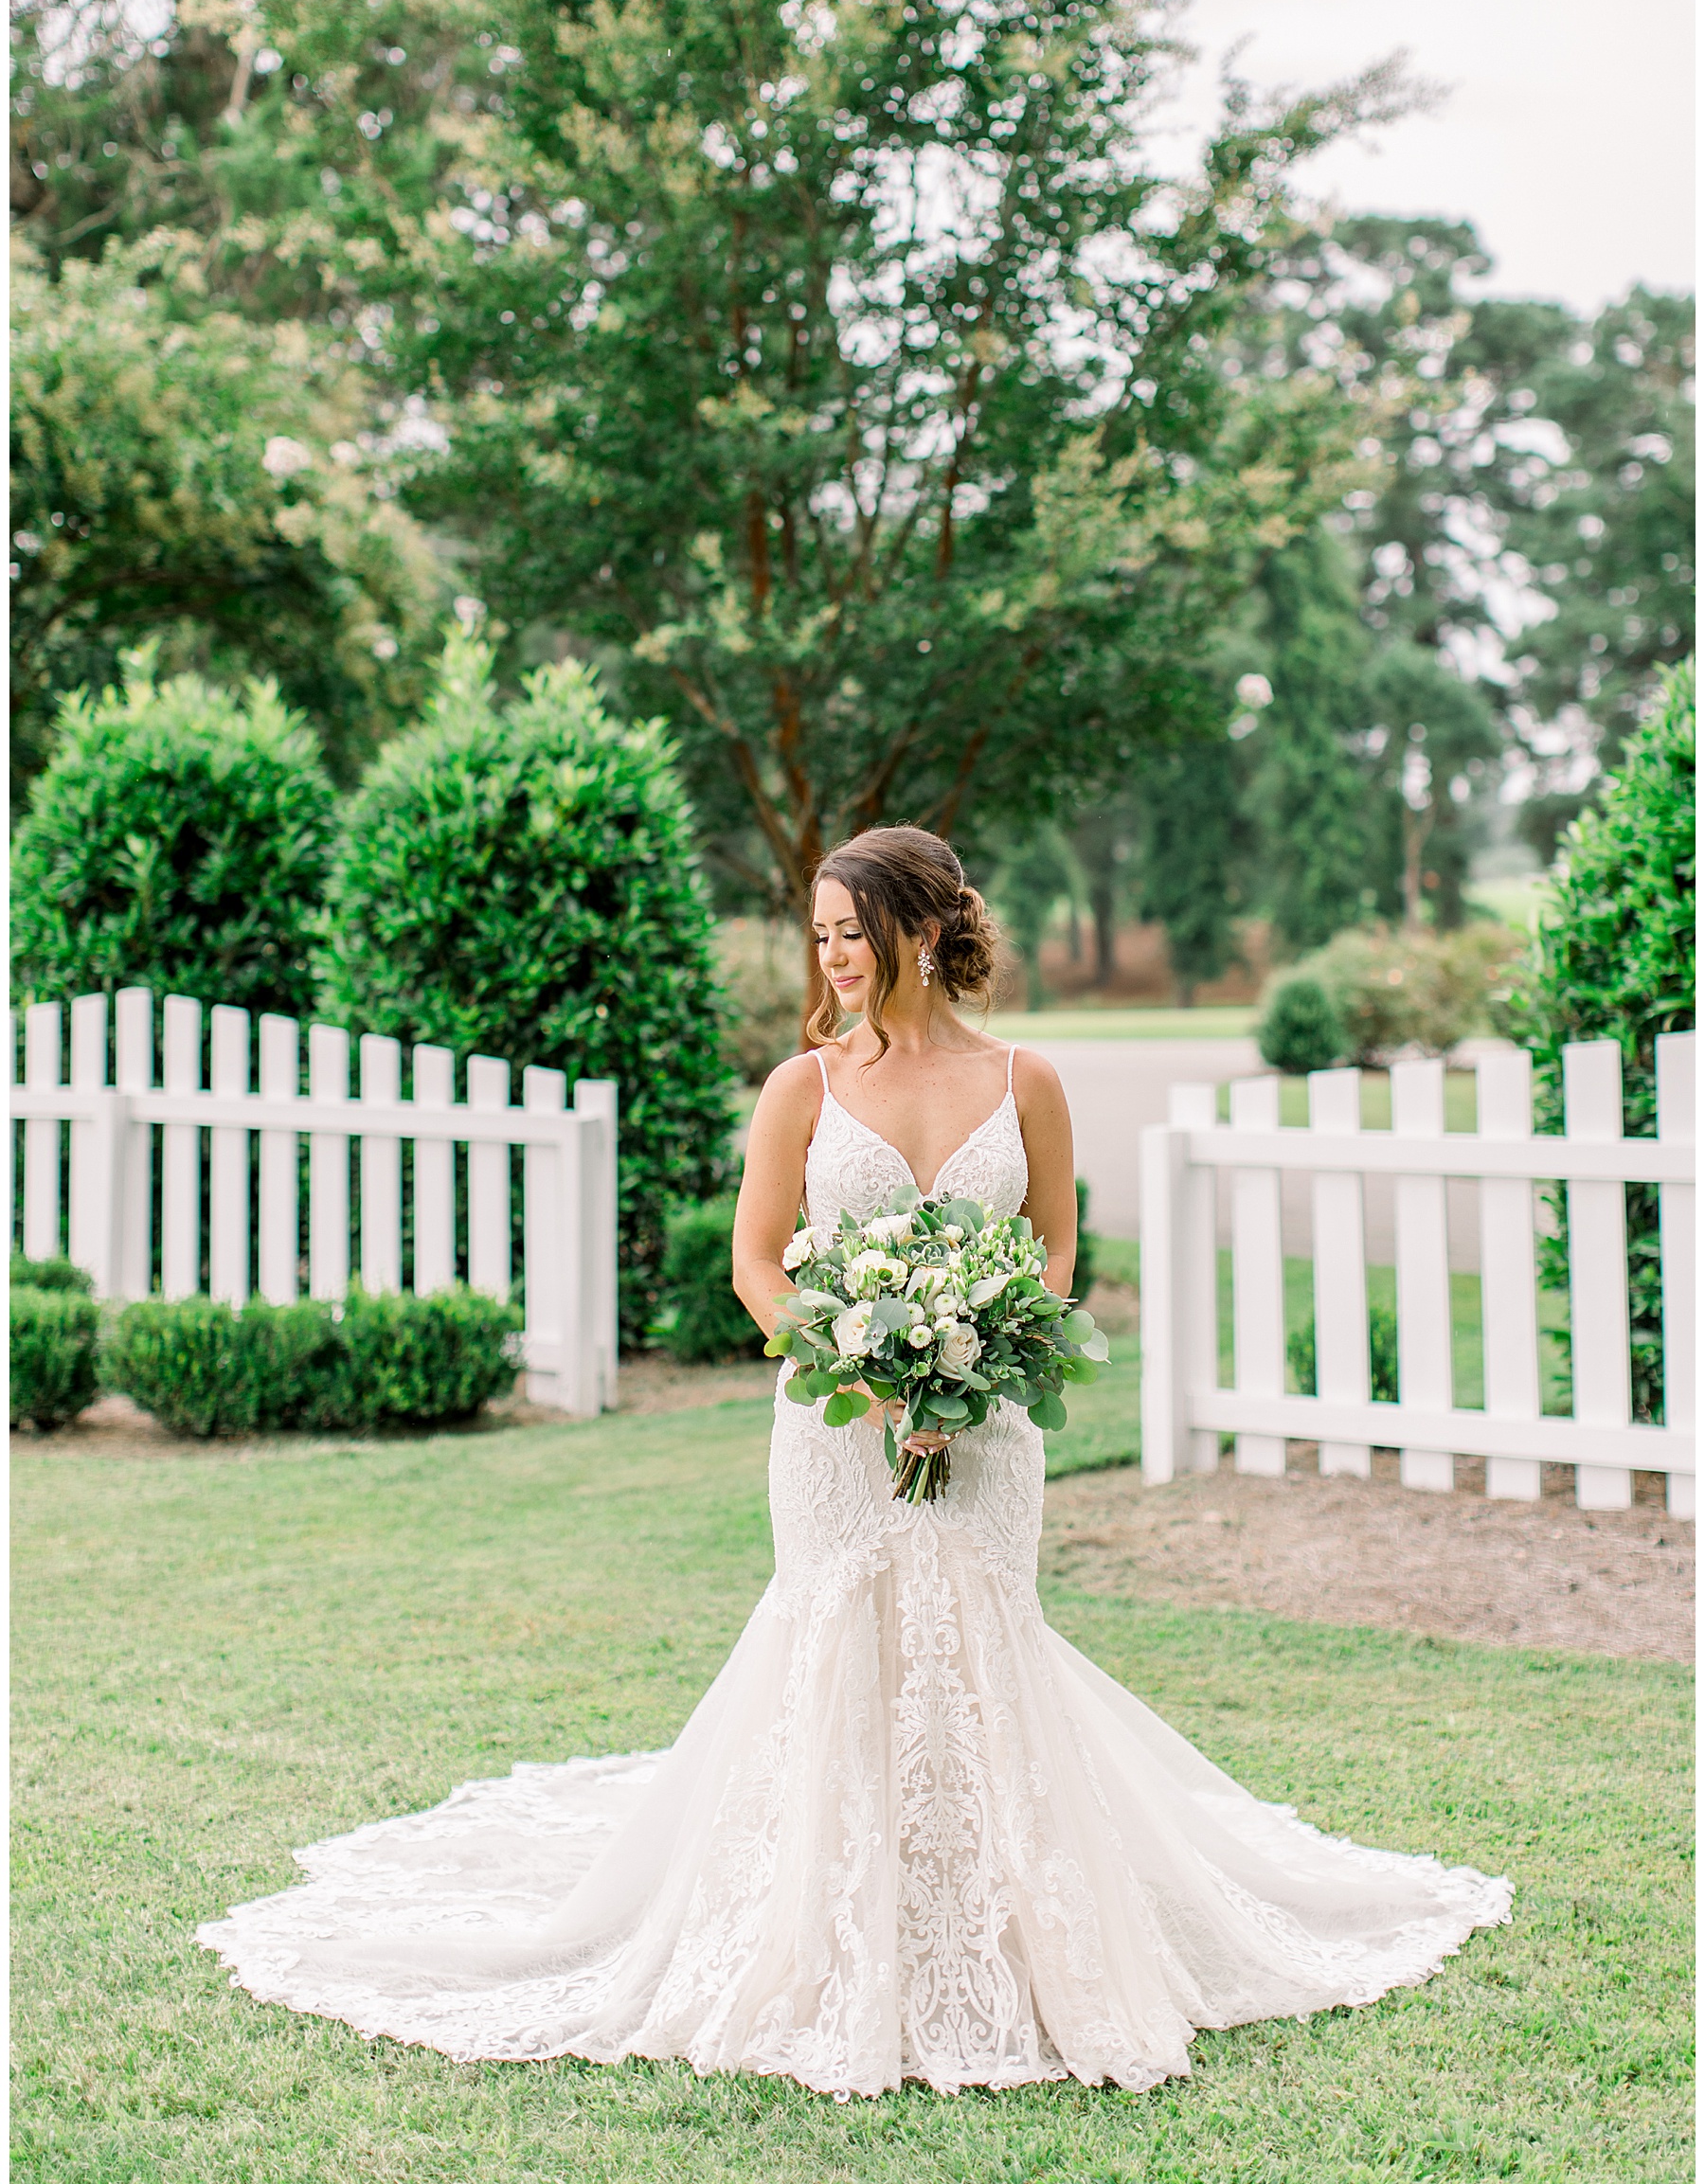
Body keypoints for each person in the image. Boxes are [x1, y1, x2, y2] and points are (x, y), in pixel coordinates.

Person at [198, 823, 1512, 2097]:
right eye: (818, 932)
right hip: (835, 1435)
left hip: (988, 1434)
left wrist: (982, 1356)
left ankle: (1001, 1933)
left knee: (982, 1647)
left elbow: (1056, 1253)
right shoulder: (804, 1088)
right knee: (838, 1643)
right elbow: (756, 1260)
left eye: (854, 929)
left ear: (928, 930)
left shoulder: (1027, 1082)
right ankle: (835, 1936)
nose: (831, 955)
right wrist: (858, 1371)